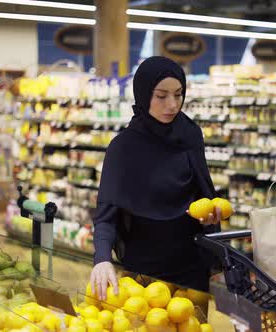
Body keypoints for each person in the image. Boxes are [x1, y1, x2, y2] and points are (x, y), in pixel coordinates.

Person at [90, 56, 221, 300]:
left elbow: (204, 192)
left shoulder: (191, 134)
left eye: (178, 94)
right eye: (161, 96)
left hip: (192, 267)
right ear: (143, 94)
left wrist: (209, 218)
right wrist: (102, 259)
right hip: (142, 271)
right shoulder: (124, 147)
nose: (172, 105)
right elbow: (106, 215)